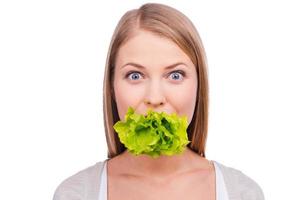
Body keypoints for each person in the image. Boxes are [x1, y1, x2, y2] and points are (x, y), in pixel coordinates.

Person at [53, 3, 265, 200]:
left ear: (199, 86)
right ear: (111, 87)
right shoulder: (76, 193)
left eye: (175, 75)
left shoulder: (241, 192)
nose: (155, 98)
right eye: (135, 76)